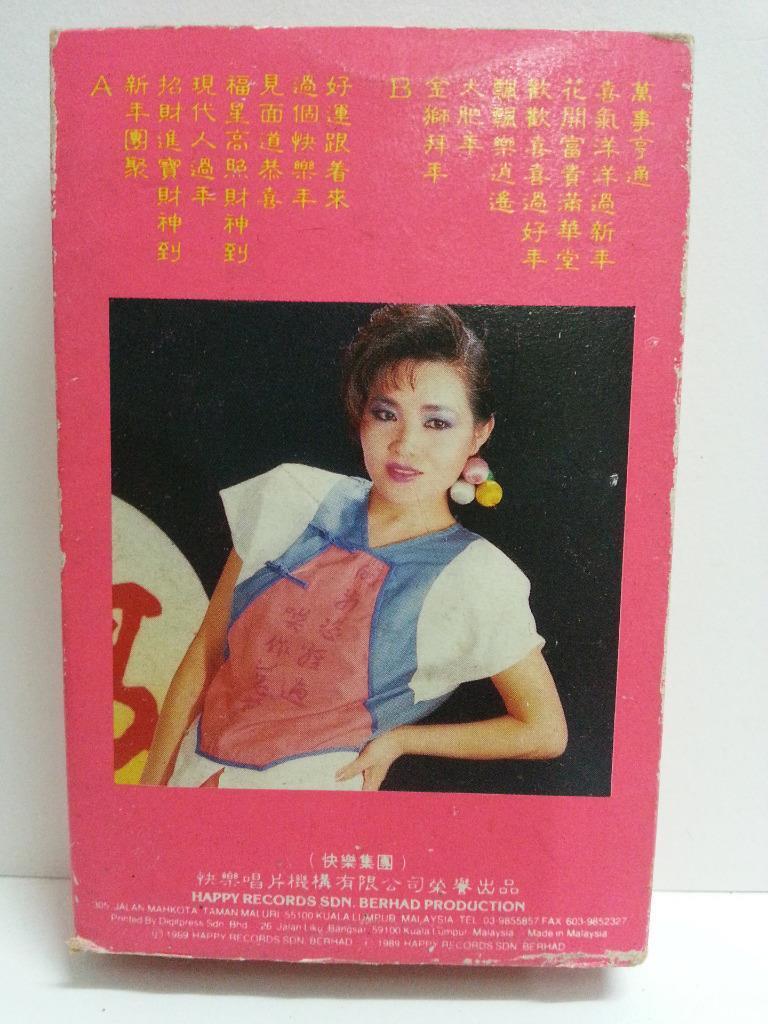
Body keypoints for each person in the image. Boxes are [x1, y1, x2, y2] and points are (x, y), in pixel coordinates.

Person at [139, 304, 567, 792]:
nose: (404, 445)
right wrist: (150, 792)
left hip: (314, 798)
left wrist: (403, 740)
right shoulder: (291, 497)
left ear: (479, 432)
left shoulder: (477, 577)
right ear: (361, 416)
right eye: (386, 414)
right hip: (191, 776)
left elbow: (544, 730)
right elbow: (206, 654)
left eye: (436, 423)